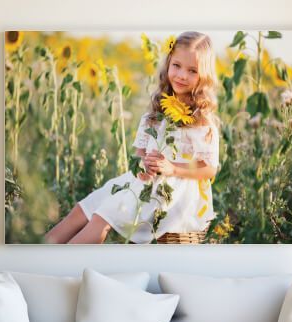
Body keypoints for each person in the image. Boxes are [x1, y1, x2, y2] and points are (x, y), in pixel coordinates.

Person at [45, 31, 220, 244]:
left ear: (204, 76)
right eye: (176, 65)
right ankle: (37, 256)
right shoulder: (154, 114)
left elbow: (209, 169)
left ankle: (64, 263)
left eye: (192, 70)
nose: (182, 75)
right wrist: (142, 165)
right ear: (168, 65)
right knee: (83, 209)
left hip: (172, 193)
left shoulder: (201, 122)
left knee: (102, 217)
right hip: (143, 181)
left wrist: (172, 168)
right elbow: (138, 155)